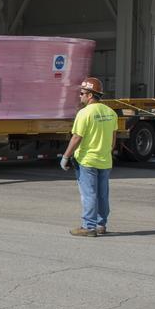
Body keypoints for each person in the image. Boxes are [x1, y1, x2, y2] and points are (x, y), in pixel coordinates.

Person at [60, 76, 118, 237]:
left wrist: (65, 157)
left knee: (89, 194)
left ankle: (88, 226)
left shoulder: (84, 113)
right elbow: (113, 141)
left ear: (90, 95)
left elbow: (76, 138)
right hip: (105, 161)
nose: (80, 96)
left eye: (82, 93)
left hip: (87, 161)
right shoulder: (111, 113)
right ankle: (101, 224)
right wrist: (104, 152)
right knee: (102, 195)